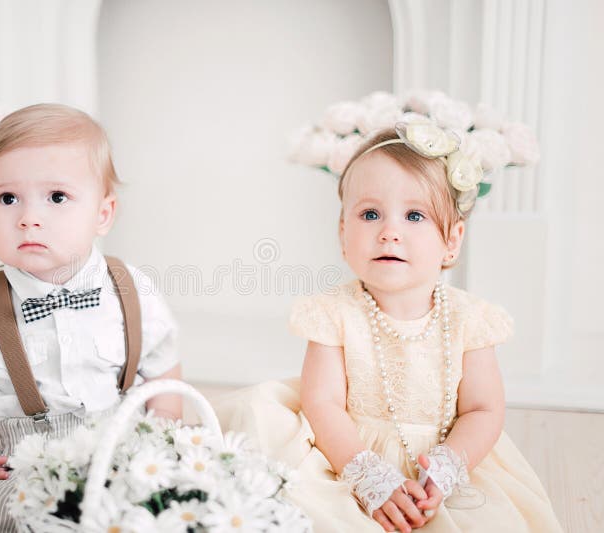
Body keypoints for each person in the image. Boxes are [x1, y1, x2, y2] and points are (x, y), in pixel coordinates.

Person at [215, 123, 563, 532]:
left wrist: (449, 465)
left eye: (414, 215)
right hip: (345, 451)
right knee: (307, 509)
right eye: (370, 214)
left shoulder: (469, 320)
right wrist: (367, 476)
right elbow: (323, 403)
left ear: (452, 240)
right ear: (344, 234)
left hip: (443, 459)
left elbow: (483, 409)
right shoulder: (334, 313)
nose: (389, 232)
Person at [0, 103, 182, 532]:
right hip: (20, 468)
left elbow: (164, 368)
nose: (28, 219)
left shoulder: (132, 290)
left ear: (103, 214)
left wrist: (162, 432)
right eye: (6, 198)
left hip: (120, 454)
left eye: (57, 197)